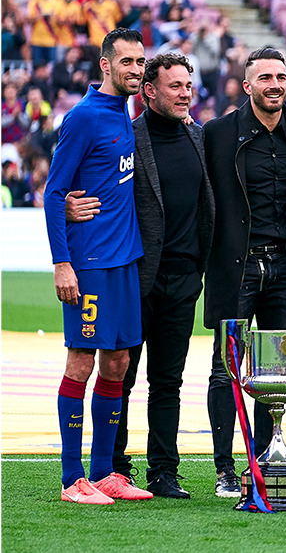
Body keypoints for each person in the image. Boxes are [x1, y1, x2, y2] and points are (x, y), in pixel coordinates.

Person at [65, 53, 213, 499]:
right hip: (134, 274)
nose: (185, 93)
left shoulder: (200, 138)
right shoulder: (128, 136)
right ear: (149, 91)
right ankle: (114, 467)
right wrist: (71, 208)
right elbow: (84, 185)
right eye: (176, 86)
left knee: (168, 381)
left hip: (185, 278)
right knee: (120, 373)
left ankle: (164, 471)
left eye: (189, 86)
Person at [44, 27, 154, 504]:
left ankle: (106, 473)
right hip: (87, 263)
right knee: (82, 360)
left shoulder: (125, 116)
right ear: (106, 65)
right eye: (126, 61)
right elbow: (53, 192)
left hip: (124, 261)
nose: (135, 69)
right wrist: (61, 263)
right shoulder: (85, 118)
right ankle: (73, 480)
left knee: (119, 362)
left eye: (140, 62)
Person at [202, 48, 286, 498]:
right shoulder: (218, 133)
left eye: (281, 77)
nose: (275, 84)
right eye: (265, 77)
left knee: (276, 370)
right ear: (246, 86)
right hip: (237, 264)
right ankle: (224, 468)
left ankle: (267, 459)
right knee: (225, 368)